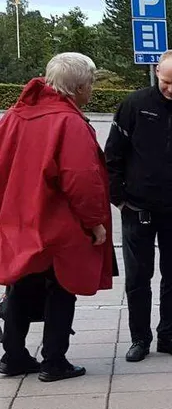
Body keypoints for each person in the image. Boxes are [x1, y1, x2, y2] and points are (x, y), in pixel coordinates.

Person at [0, 53, 113, 381]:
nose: (91, 89)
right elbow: (81, 178)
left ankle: (14, 355)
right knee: (61, 288)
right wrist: (95, 222)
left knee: (20, 285)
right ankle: (54, 360)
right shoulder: (69, 122)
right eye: (90, 83)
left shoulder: (15, 116)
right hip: (56, 223)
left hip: (18, 219)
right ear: (79, 86)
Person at [105, 50, 172, 363]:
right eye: (167, 82)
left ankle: (169, 336)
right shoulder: (134, 106)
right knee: (138, 278)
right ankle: (139, 338)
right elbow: (112, 155)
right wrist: (119, 197)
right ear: (156, 73)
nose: (171, 89)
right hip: (136, 207)